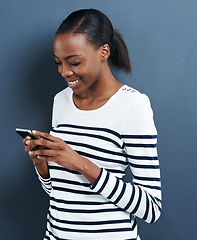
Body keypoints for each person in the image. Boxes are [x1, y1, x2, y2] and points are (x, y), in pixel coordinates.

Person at [22, 9, 162, 240]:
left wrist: (80, 163)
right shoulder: (61, 100)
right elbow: (61, 194)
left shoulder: (133, 105)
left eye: (74, 62)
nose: (65, 72)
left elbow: (151, 208)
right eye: (59, 63)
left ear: (104, 52)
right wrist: (42, 167)